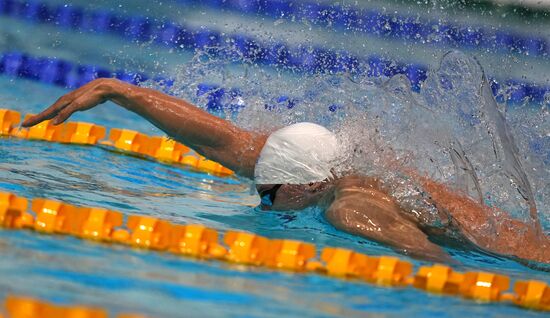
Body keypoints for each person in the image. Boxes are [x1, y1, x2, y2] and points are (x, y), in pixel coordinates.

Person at [22, 78, 550, 264]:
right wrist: (119, 92)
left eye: (269, 196)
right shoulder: (318, 169)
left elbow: (440, 263)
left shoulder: (350, 208)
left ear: (303, 185)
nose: (264, 203)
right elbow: (218, 139)